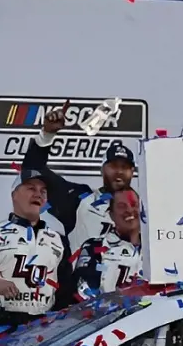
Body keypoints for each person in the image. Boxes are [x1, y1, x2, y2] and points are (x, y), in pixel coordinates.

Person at [22, 103, 136, 255]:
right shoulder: (79, 199)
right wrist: (47, 135)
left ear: (133, 171)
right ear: (102, 169)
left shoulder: (145, 209)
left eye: (125, 167)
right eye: (114, 166)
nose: (120, 171)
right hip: (83, 277)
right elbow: (33, 170)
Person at [0, 169, 70, 328]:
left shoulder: (58, 240)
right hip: (2, 325)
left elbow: (66, 291)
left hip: (42, 330)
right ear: (14, 195)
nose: (38, 194)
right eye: (31, 188)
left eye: (43, 191)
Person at [74, 188, 142, 299]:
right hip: (112, 315)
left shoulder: (155, 248)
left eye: (134, 204)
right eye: (121, 206)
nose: (129, 210)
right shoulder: (94, 247)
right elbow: (83, 292)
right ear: (111, 215)